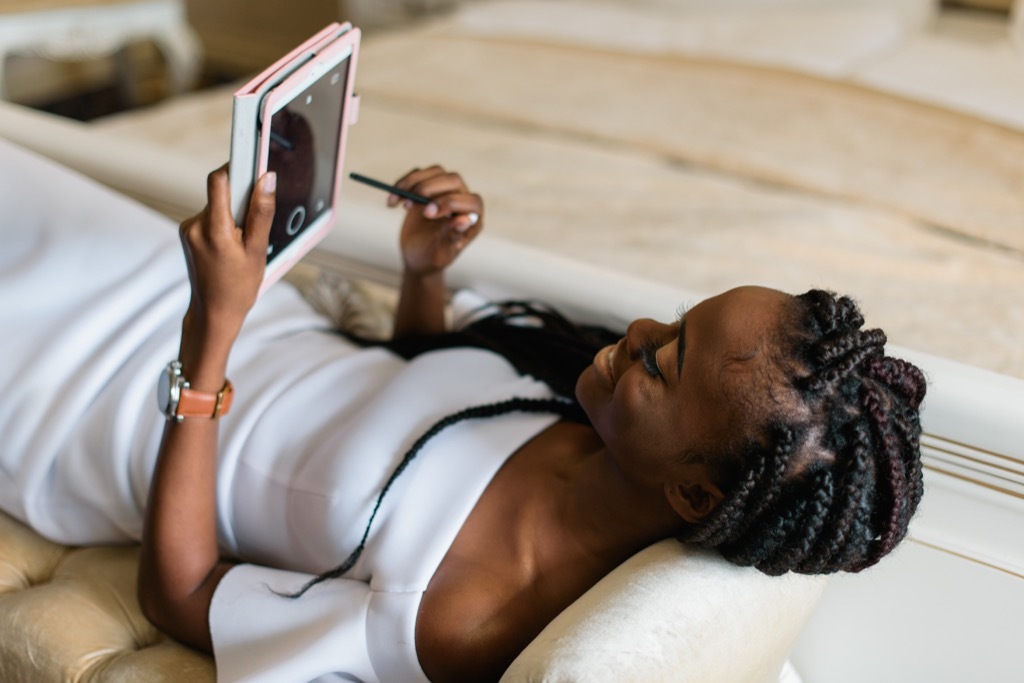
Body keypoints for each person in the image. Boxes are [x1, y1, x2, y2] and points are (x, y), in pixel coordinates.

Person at [0, 155, 926, 683]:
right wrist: (424, 277)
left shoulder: (463, 616)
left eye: (664, 359)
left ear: (692, 489)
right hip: (224, 309)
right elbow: (412, 405)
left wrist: (211, 336)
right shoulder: (600, 431)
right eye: (676, 320)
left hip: (96, 404)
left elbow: (185, 594)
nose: (635, 332)